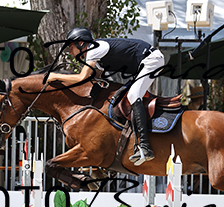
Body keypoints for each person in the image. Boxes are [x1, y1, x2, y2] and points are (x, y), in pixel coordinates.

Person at [47, 27, 165, 166]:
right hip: (142, 64)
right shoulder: (95, 56)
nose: (70, 52)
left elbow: (82, 77)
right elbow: (95, 79)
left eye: (71, 47)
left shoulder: (94, 49)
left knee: (134, 95)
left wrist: (55, 76)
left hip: (151, 60)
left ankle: (145, 147)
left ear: (81, 43)